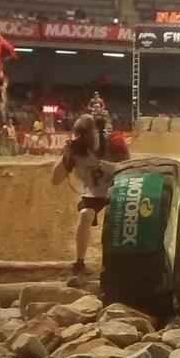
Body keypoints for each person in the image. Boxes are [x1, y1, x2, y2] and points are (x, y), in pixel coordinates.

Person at [51, 114, 123, 275]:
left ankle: (119, 259)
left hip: (118, 188)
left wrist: (100, 164)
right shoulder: (76, 150)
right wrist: (66, 157)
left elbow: (126, 168)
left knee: (118, 219)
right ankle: (80, 261)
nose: (85, 141)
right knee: (85, 215)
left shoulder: (114, 143)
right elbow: (55, 179)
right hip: (92, 192)